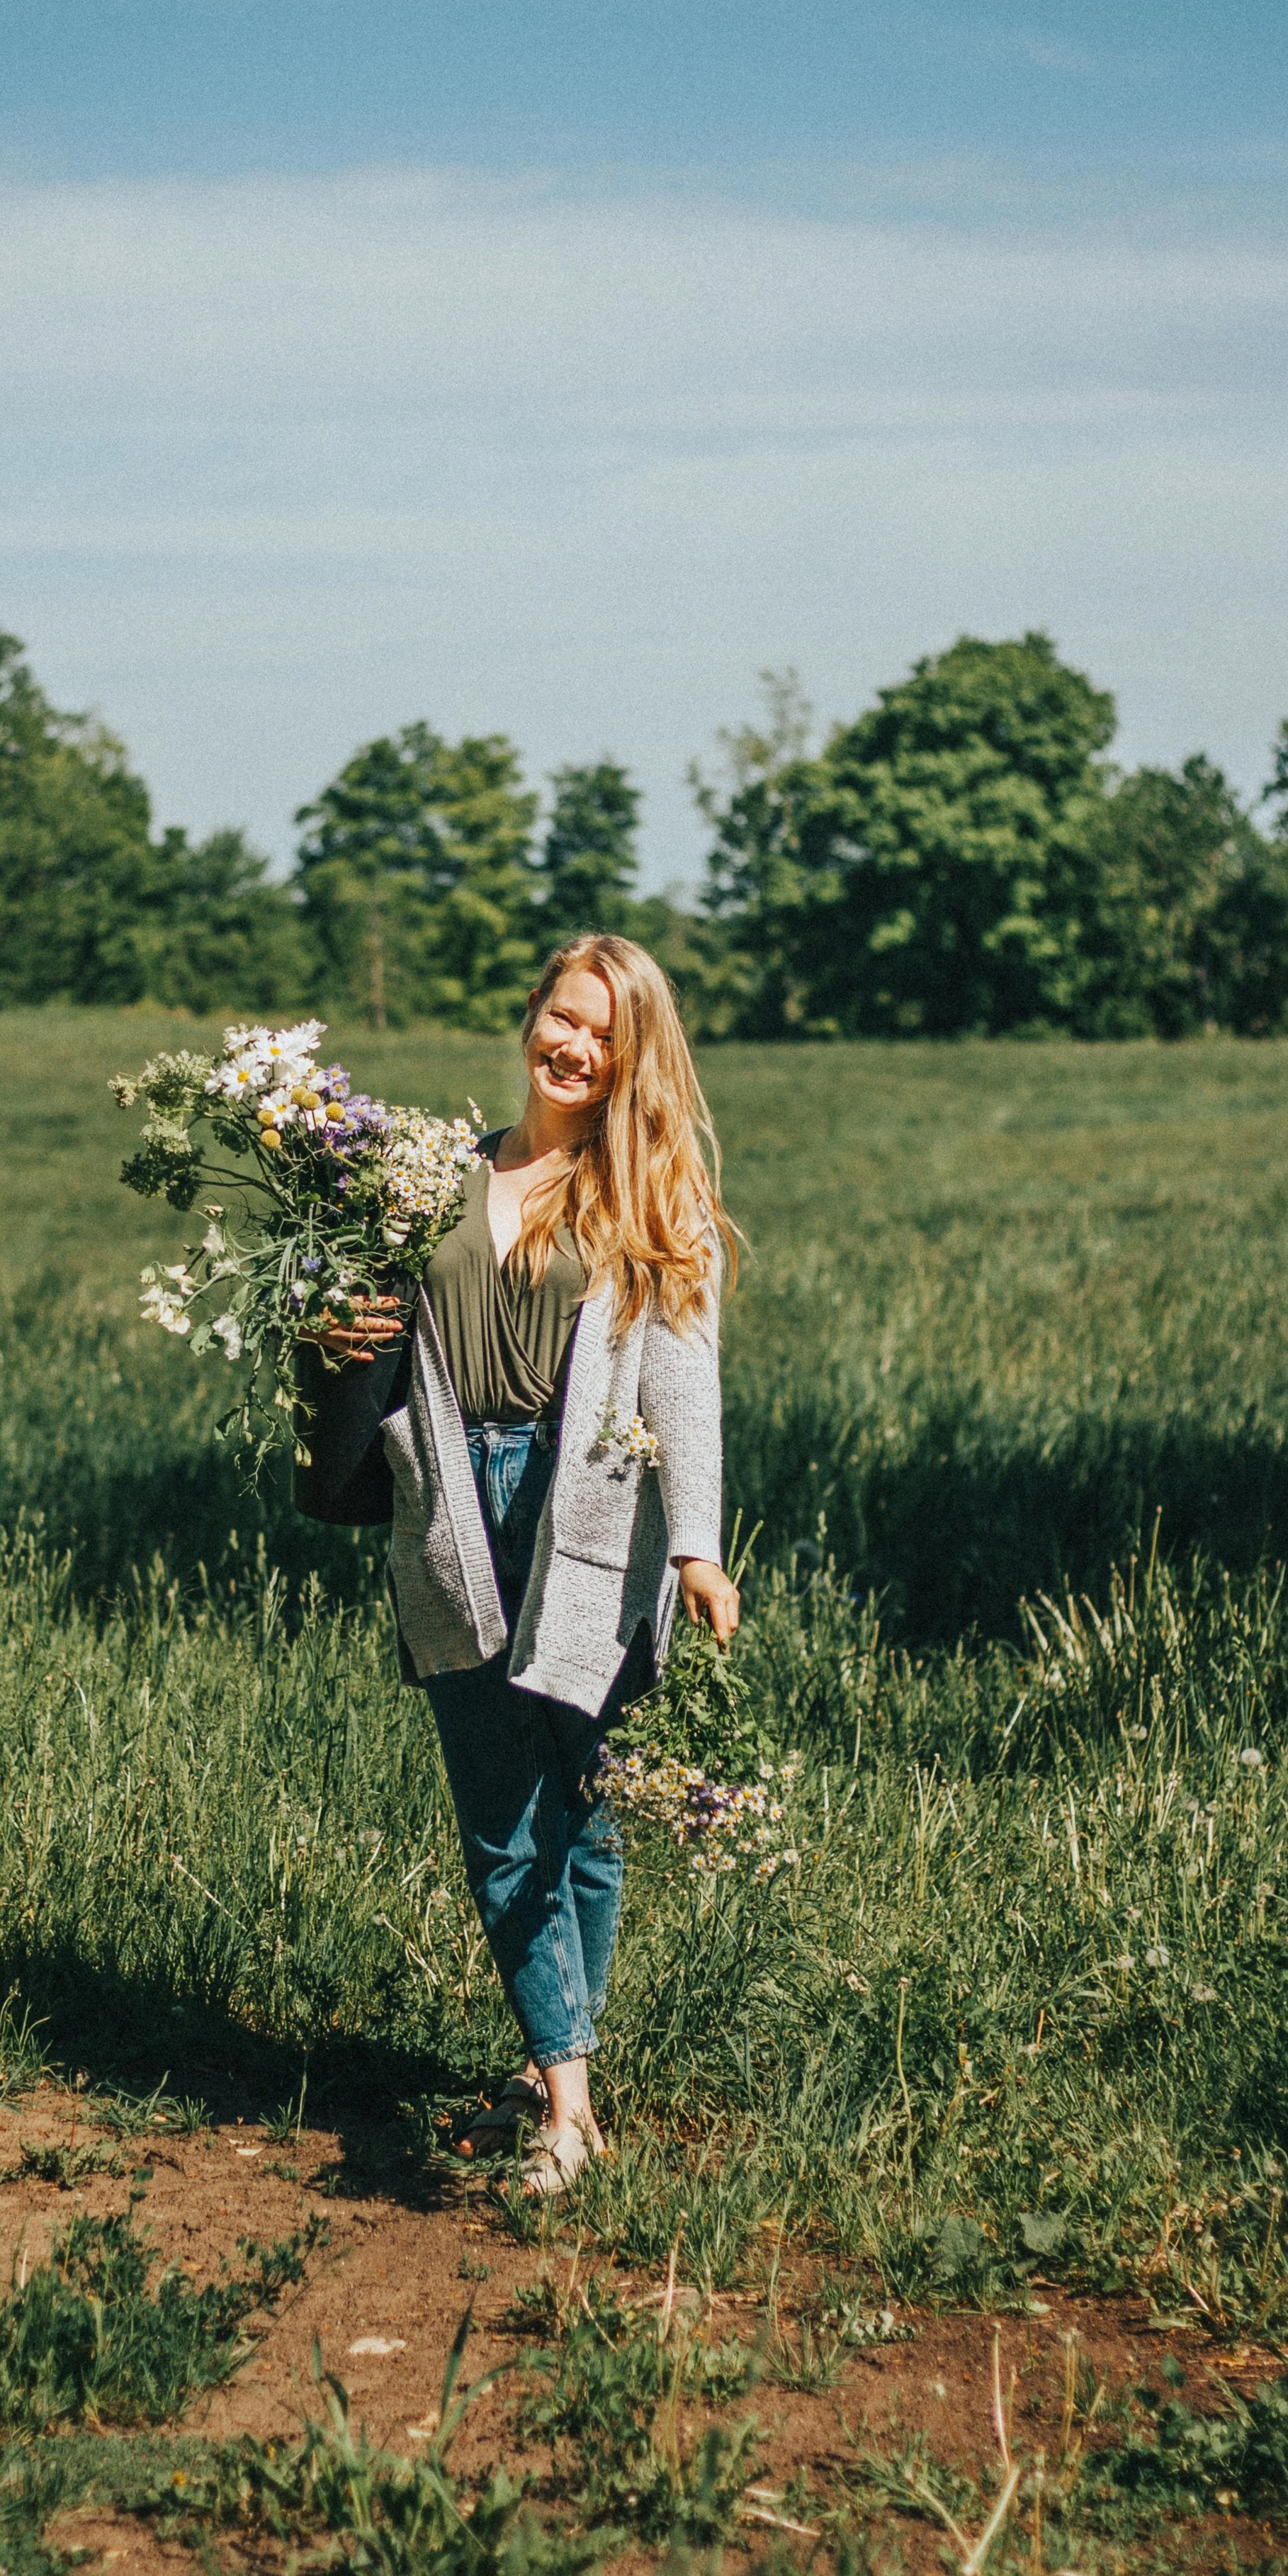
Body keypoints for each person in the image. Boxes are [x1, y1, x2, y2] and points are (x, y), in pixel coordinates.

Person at [316, 934, 740, 2193]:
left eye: (602, 1032)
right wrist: (337, 1323)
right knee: (503, 1816)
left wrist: (698, 1542)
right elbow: (364, 1322)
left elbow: (684, 1378)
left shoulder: (642, 1195)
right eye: (563, 1017)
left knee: (584, 1811)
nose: (574, 1045)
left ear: (629, 1057)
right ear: (531, 1021)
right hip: (449, 1507)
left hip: (586, 1521)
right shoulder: (430, 1176)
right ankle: (569, 2099)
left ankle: (553, 2084)